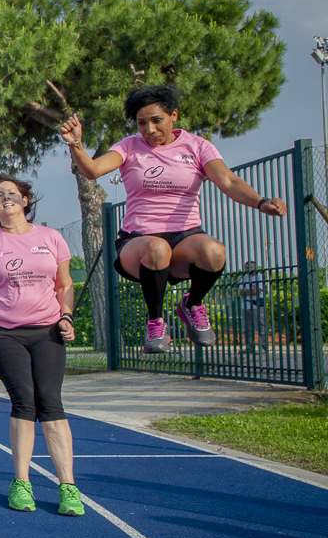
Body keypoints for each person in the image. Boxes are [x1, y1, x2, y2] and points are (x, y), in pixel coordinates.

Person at [60, 85, 287, 353]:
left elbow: (228, 180)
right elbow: (93, 170)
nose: (150, 130)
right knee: (157, 248)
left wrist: (260, 202)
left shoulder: (198, 146)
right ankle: (155, 321)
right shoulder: (129, 146)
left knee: (214, 251)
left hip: (185, 238)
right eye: (142, 123)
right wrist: (76, 143)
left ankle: (192, 305)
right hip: (139, 242)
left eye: (157, 120)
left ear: (174, 115)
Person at [0, 174, 84, 516]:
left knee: (51, 401)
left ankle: (68, 487)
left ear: (25, 201)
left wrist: (67, 315)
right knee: (25, 401)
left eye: (12, 194)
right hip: (4, 333)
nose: (6, 199)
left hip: (47, 331)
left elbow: (65, 284)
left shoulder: (52, 238)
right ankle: (21, 482)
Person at [239, 260, 268, 356]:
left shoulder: (259, 277)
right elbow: (240, 292)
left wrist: (247, 291)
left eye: (251, 267)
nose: (249, 269)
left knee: (260, 326)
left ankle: (263, 347)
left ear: (255, 267)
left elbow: (256, 291)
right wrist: (250, 290)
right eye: (247, 268)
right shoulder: (244, 278)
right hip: (245, 305)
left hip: (257, 305)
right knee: (246, 328)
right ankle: (250, 347)